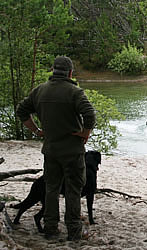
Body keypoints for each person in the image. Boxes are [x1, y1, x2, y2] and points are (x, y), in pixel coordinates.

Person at [16, 56, 96, 241]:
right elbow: (90, 114)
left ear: (53, 70)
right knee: (73, 190)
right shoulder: (75, 92)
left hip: (50, 150)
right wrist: (85, 133)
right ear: (70, 72)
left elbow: (21, 110)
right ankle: (74, 231)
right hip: (72, 152)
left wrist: (36, 130)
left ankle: (50, 228)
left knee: (51, 189)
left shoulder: (39, 91)